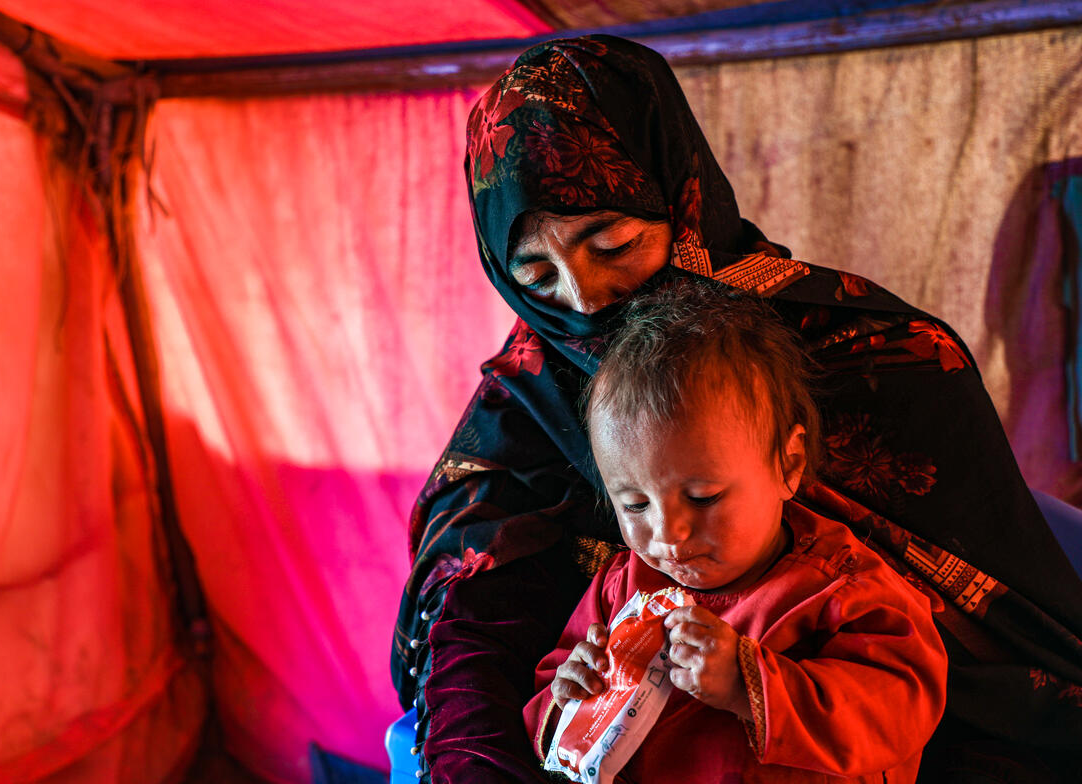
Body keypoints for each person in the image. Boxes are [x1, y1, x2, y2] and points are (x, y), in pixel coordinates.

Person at [392, 34, 1082, 783]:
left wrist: (759, 685)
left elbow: (970, 663)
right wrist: (559, 706)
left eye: (613, 242)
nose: (586, 300)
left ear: (676, 198)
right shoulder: (527, 409)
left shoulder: (874, 361)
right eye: (537, 274)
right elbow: (479, 642)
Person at [525, 285, 948, 782]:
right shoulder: (622, 586)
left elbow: (900, 710)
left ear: (787, 464)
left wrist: (748, 683)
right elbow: (550, 692)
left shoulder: (842, 589)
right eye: (635, 504)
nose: (669, 535)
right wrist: (568, 691)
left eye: (703, 497)